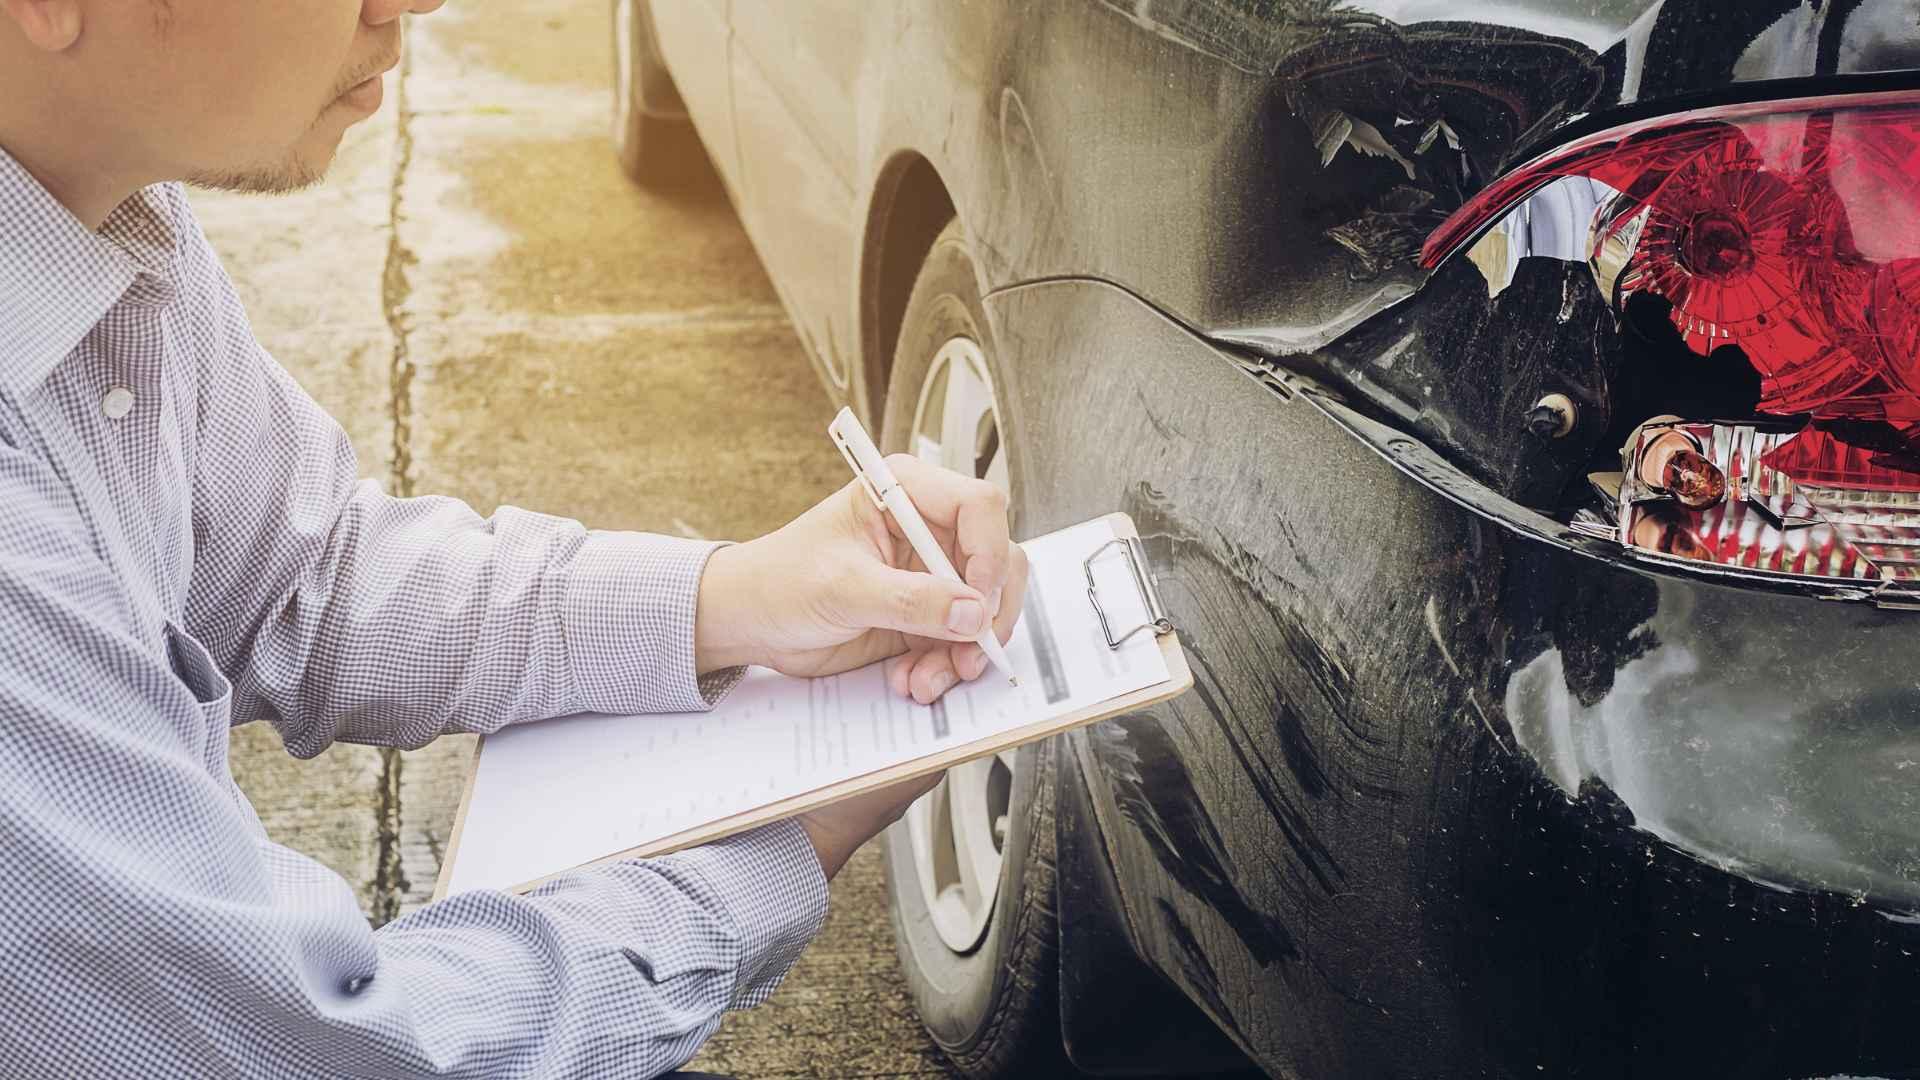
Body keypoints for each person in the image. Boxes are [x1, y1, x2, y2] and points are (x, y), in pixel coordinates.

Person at [0, 0, 1029, 1076]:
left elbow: (303, 577)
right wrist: (776, 847)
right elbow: (331, 1052)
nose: (416, 2)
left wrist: (736, 598)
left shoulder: (107, 214)